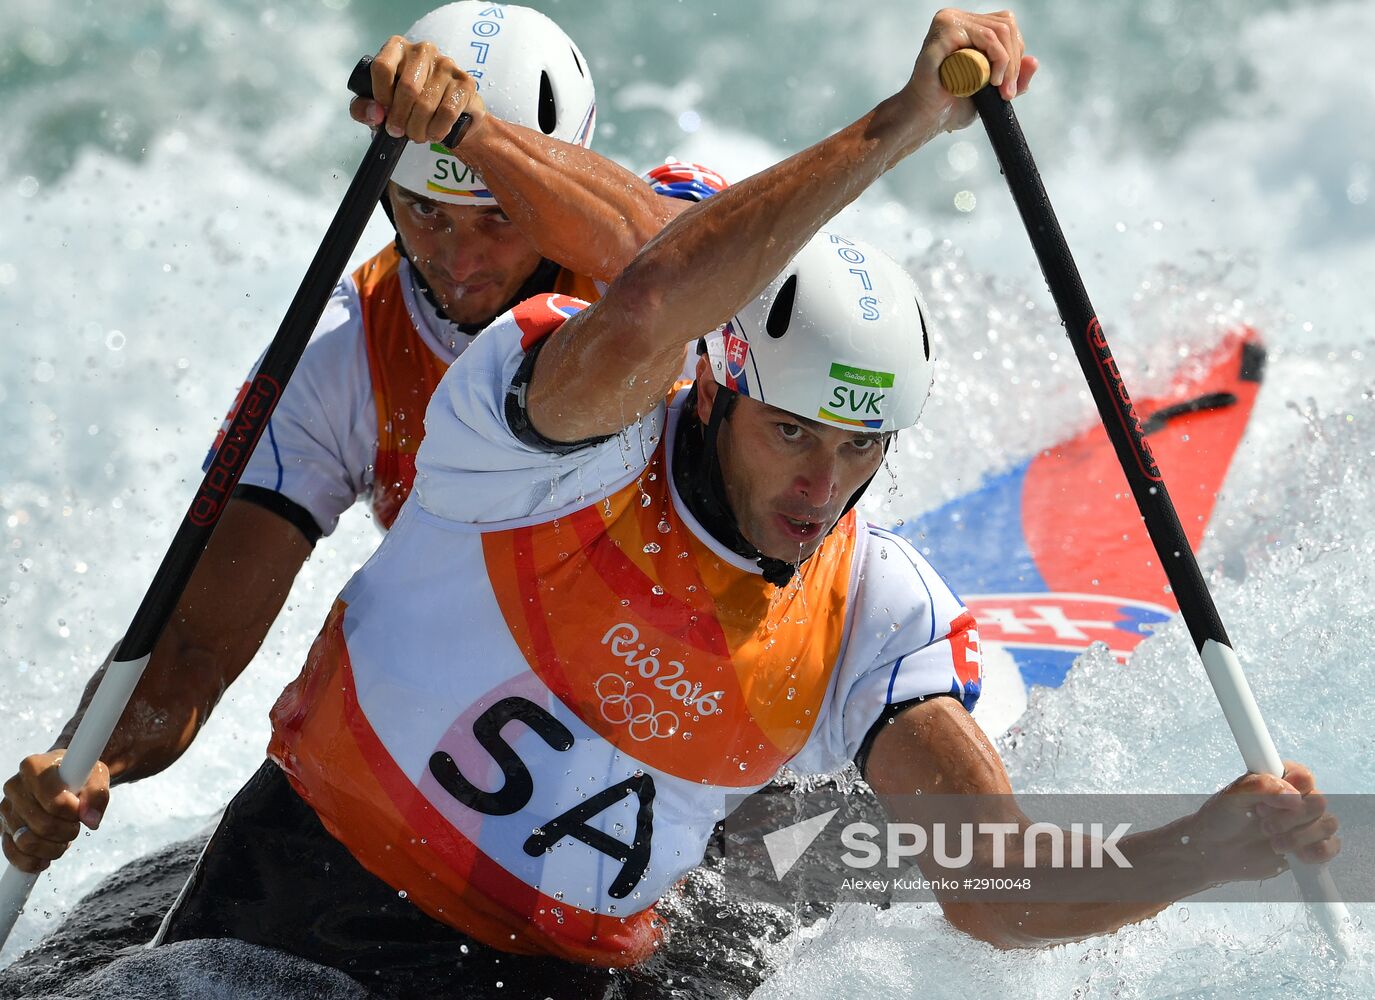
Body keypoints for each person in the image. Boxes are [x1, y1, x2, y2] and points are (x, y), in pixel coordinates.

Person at [1, 2, 723, 875]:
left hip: (708, 660)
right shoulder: (338, 354)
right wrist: (83, 763)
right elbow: (193, 646)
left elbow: (681, 265)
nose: (457, 259)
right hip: (526, 701)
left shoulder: (673, 216)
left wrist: (474, 133)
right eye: (425, 213)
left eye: (496, 216)